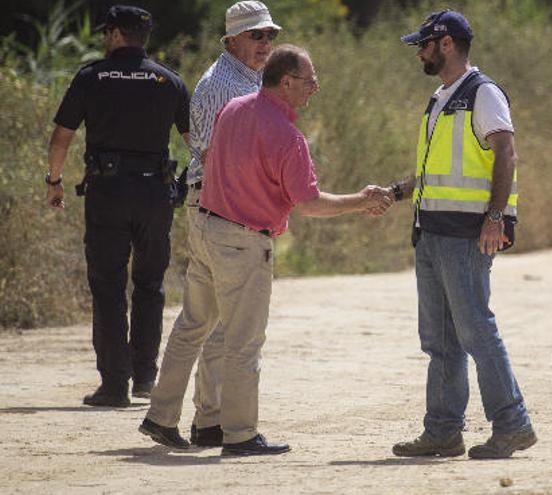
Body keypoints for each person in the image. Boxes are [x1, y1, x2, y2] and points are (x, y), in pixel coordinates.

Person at [139, 44, 393, 455]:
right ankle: (238, 435)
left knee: (192, 327)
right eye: (309, 81)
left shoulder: (234, 108)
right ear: (287, 82)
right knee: (243, 341)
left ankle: (168, 418)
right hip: (242, 242)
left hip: (205, 226)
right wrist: (361, 201)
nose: (315, 88)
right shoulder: (288, 137)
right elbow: (308, 204)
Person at [387, 10, 537, 459]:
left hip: (466, 236)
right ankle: (443, 432)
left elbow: (506, 153)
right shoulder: (440, 97)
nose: (419, 53)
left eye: (424, 45)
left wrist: (496, 216)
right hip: (431, 233)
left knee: (475, 331)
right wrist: (396, 192)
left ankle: (513, 424)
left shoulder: (483, 93)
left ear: (446, 44)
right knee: (440, 341)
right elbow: (434, 172)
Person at [46, 5, 190, 408]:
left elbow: (62, 138)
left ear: (113, 35)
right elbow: (198, 144)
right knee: (150, 284)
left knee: (108, 286)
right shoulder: (169, 80)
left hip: (107, 193)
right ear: (143, 37)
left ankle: (113, 386)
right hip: (154, 194)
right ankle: (145, 377)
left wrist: (54, 181)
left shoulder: (92, 77)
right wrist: (181, 186)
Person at [184, 0, 282, 449]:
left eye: (270, 35)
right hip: (222, 207)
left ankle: (210, 420)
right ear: (232, 40)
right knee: (229, 325)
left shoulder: (250, 80)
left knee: (221, 322)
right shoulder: (223, 86)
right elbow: (211, 156)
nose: (265, 43)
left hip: (227, 207)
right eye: (256, 35)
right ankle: (223, 424)